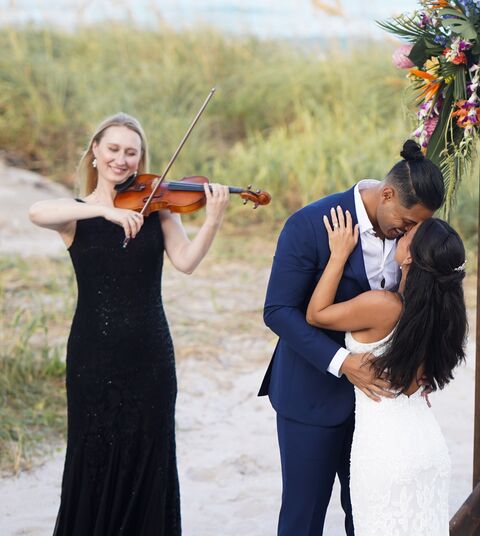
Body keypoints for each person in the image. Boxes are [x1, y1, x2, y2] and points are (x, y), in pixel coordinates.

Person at [28, 113, 230, 535]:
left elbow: (186, 262)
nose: (121, 159)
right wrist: (105, 212)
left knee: (148, 457)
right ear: (95, 152)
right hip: (92, 355)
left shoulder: (158, 209)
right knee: (92, 455)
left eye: (131, 152)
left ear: (141, 159)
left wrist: (212, 221)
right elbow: (36, 211)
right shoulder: (76, 215)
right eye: (113, 149)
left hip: (150, 355)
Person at [260, 140, 445, 535]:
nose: (410, 232)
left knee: (365, 519)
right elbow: (278, 311)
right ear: (388, 193)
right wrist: (343, 363)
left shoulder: (411, 237)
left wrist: (420, 363)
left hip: (380, 411)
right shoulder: (310, 224)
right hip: (311, 396)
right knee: (303, 518)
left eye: (417, 226)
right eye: (407, 222)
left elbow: (424, 303)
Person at [305, 209, 466, 534]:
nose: (400, 235)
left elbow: (316, 314)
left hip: (386, 449)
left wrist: (338, 255)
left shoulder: (384, 306)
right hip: (428, 445)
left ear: (409, 257)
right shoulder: (442, 316)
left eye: (407, 235)